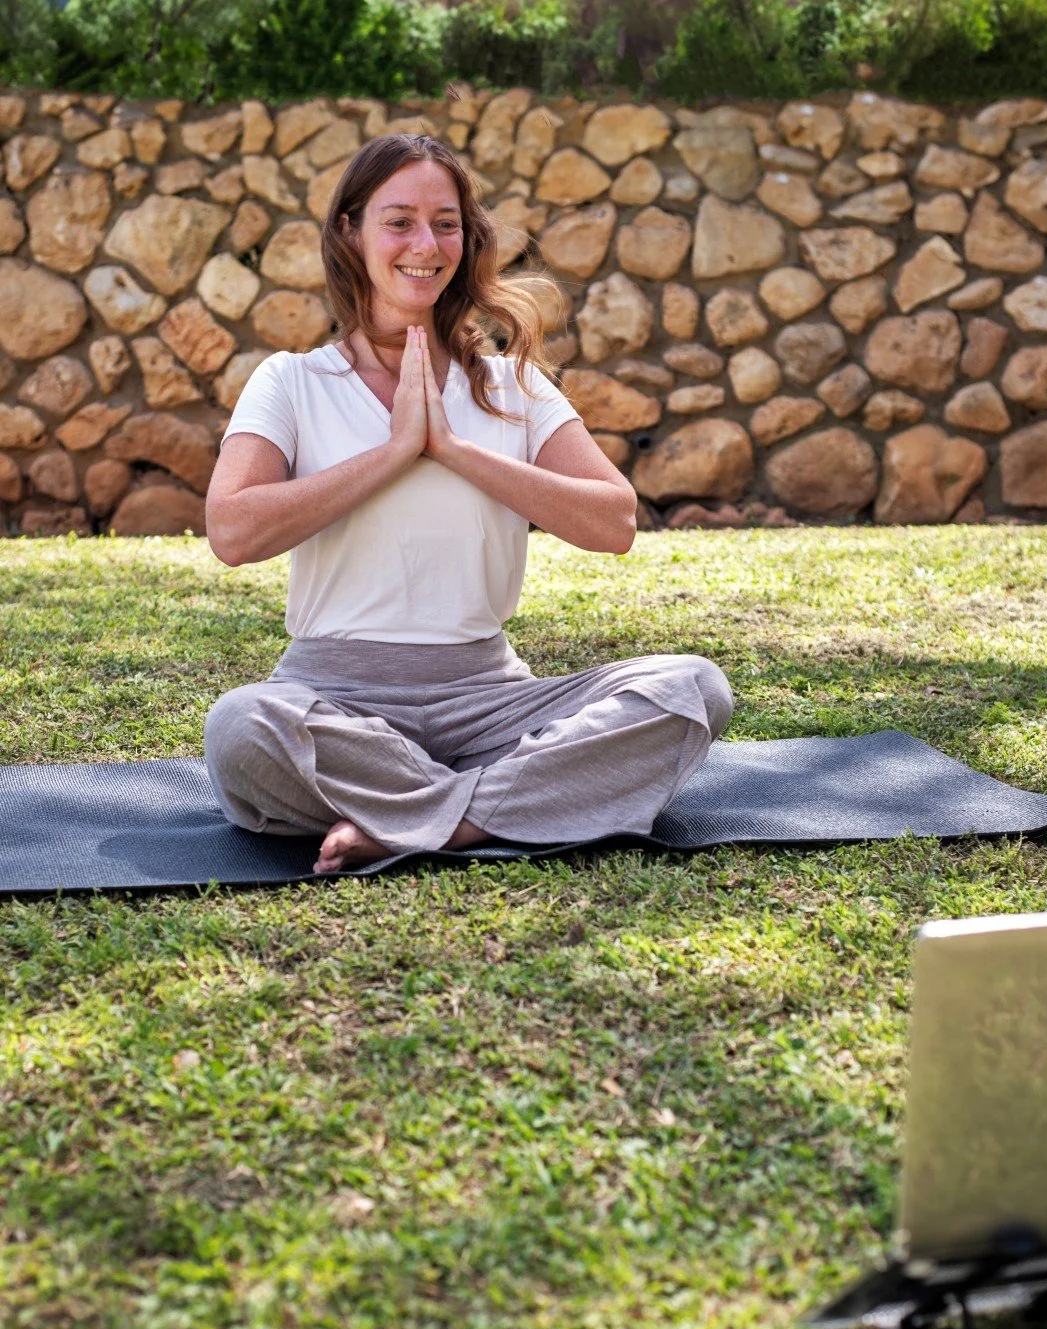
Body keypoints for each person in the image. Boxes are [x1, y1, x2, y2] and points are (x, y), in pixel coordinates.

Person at [203, 132, 733, 872]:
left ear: (467, 237)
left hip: (491, 702)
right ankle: (494, 805)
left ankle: (428, 819)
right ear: (350, 232)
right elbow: (231, 530)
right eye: (399, 221)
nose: (425, 243)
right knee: (242, 729)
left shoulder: (511, 384)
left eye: (445, 223)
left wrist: (453, 448)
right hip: (333, 700)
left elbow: (613, 521)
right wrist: (393, 453)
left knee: (690, 690)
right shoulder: (292, 382)